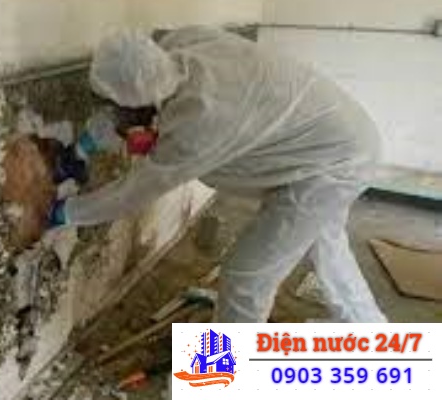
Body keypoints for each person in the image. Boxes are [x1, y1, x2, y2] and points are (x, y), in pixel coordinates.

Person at [51, 26, 387, 323]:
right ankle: (372, 333)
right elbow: (128, 95)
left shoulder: (200, 121)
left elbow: (135, 191)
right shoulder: (175, 46)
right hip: (338, 131)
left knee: (247, 275)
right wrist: (82, 148)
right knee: (325, 244)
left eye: (121, 110)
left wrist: (66, 212)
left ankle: (225, 369)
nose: (116, 116)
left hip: (333, 164)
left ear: (145, 103)